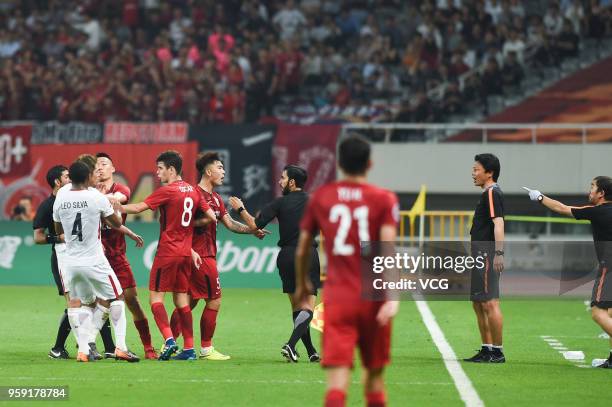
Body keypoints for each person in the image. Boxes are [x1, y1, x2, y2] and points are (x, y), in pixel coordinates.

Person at [295, 135, 400, 407]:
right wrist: (393, 295)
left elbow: (303, 248)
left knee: (336, 385)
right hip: (374, 296)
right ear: (370, 163)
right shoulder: (384, 199)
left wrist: (301, 285)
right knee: (375, 380)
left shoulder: (322, 197)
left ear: (339, 163)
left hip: (339, 297)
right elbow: (387, 248)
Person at [170, 151, 266, 360]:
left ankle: (169, 343)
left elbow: (230, 224)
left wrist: (252, 230)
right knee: (214, 301)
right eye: (220, 168)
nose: (223, 172)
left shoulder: (215, 199)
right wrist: (193, 241)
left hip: (198, 255)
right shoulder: (193, 195)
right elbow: (181, 225)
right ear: (208, 171)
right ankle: (206, 348)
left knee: (188, 301)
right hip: (201, 256)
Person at [121, 150, 216, 361]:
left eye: (160, 169)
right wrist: (187, 232)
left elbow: (138, 207)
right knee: (181, 300)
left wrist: (115, 205)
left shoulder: (169, 190)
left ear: (171, 170)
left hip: (167, 252)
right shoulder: (193, 190)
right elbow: (211, 216)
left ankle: (169, 340)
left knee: (155, 297)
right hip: (186, 253)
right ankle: (189, 349)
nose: (157, 173)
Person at [229, 164, 321, 362]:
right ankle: (290, 345)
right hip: (308, 254)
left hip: (286, 256)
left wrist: (241, 209)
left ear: (292, 182)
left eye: (283, 178)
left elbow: (255, 225)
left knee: (298, 308)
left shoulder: (280, 203)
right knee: (307, 308)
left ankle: (311, 351)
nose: (280, 181)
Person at [53, 161, 139, 363]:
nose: (96, 175)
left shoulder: (61, 196)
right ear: (87, 177)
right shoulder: (96, 197)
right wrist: (108, 211)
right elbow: (116, 223)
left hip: (71, 262)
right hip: (94, 260)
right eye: (93, 173)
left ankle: (84, 349)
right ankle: (121, 348)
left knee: (85, 304)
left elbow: (59, 230)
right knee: (117, 296)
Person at [523, 176, 612, 368]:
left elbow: (562, 208)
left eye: (592, 187)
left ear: (602, 193)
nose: (590, 191)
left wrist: (539, 197)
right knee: (611, 314)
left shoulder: (598, 211)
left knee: (598, 313)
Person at [95, 152, 156, 360]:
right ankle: (88, 345)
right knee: (94, 303)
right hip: (94, 257)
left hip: (117, 256)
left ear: (113, 169)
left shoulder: (121, 189)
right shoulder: (89, 193)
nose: (100, 168)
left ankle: (148, 347)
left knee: (131, 300)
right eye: (96, 166)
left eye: (104, 164)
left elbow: (117, 200)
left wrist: (99, 198)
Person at [464, 153, 506, 364]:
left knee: (490, 302)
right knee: (478, 302)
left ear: (489, 173)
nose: (473, 174)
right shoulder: (487, 193)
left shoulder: (492, 193)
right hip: (479, 255)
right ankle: (487, 348)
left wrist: (499, 253)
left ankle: (497, 352)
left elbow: (498, 224)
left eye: (476, 170)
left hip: (487, 254)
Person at [33, 165, 72, 359]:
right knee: (75, 303)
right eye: (66, 176)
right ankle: (58, 347)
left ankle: (101, 347)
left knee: (88, 301)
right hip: (61, 257)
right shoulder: (48, 205)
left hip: (80, 256)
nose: (70, 178)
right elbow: (38, 237)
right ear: (57, 182)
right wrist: (58, 238)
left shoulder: (73, 200)